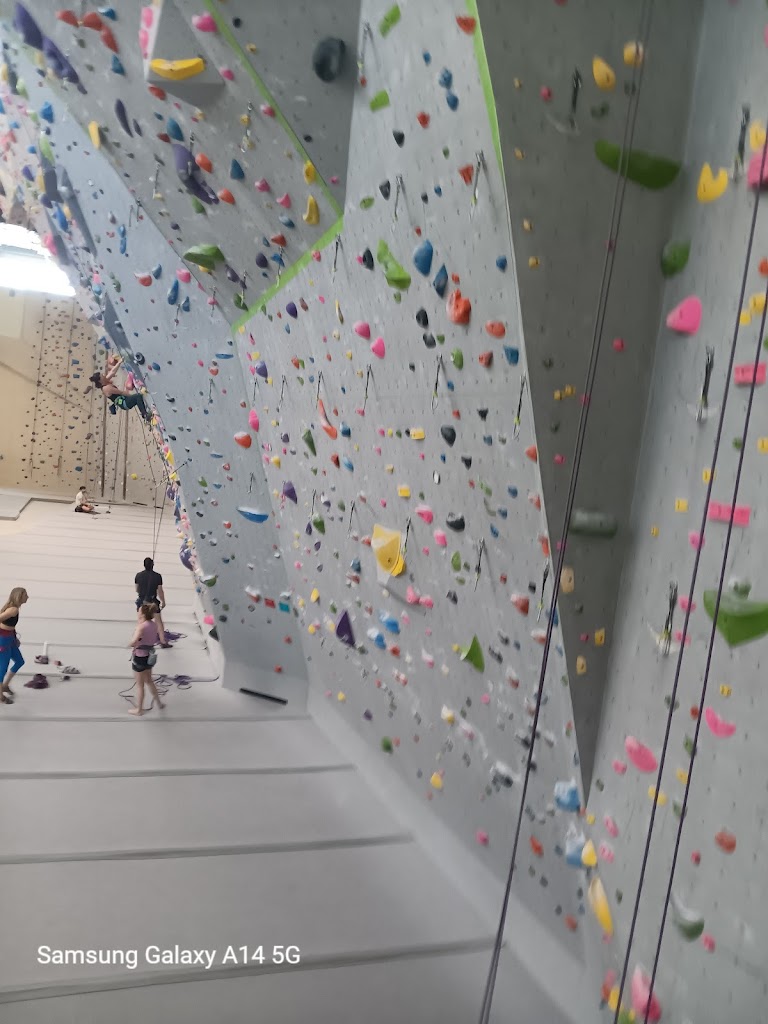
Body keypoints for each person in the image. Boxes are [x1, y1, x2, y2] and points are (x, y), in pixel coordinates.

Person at [128, 603, 166, 716]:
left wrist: (130, 643)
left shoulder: (141, 627)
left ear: (143, 614)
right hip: (149, 656)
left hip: (139, 656)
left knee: (140, 685)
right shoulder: (153, 625)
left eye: (139, 611)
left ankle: (139, 710)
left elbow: (134, 642)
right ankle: (159, 703)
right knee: (149, 680)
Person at [0, 587, 28, 704]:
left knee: (19, 661)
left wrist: (14, 637)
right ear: (19, 596)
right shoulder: (13, 610)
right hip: (3, 641)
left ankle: (5, 686)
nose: (27, 597)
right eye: (25, 595)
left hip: (10, 639)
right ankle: (0, 696)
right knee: (2, 668)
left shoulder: (14, 609)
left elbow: (10, 625)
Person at [135, 557, 170, 644]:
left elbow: (137, 589)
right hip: (153, 602)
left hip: (142, 601)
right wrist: (163, 601)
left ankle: (139, 639)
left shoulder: (138, 575)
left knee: (141, 621)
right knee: (158, 622)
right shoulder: (158, 576)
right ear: (153, 565)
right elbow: (160, 591)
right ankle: (162, 641)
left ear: (144, 565)